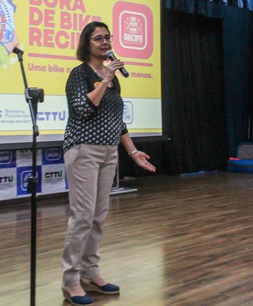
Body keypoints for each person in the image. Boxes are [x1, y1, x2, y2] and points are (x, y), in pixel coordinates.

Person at [61, 21, 156, 306]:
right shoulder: (79, 74)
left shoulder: (116, 78)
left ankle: (91, 272)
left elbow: (117, 120)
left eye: (107, 38)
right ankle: (70, 279)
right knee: (82, 216)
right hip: (83, 149)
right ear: (86, 44)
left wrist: (132, 151)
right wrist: (103, 79)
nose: (105, 43)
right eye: (98, 38)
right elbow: (82, 109)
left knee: (98, 216)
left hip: (108, 151)